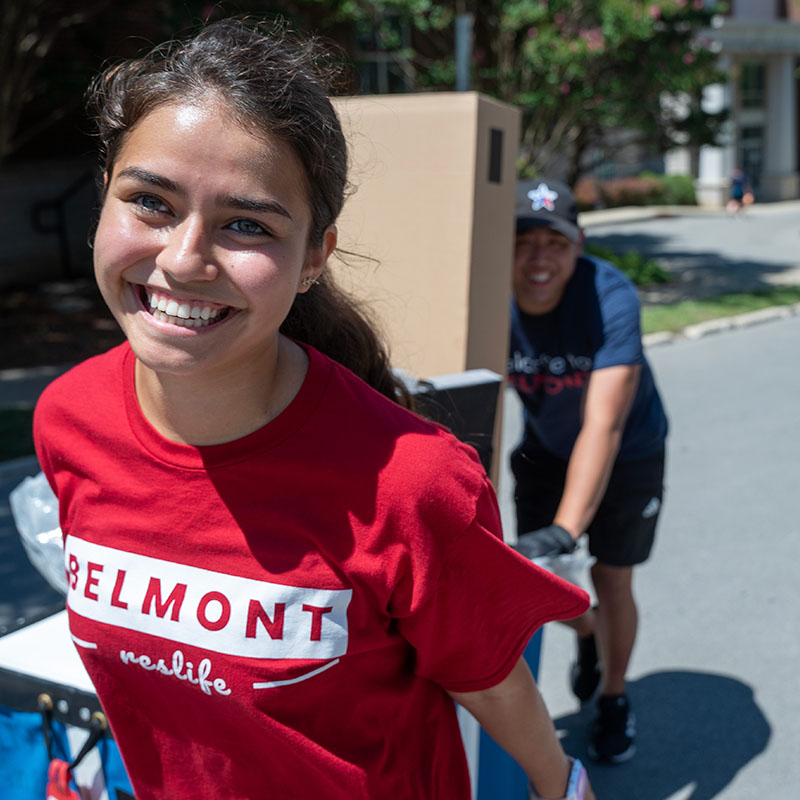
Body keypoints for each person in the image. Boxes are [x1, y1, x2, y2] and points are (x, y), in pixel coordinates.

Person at [33, 21, 596, 800]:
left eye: (246, 225)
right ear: (106, 198)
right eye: (151, 203)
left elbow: (491, 679)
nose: (184, 259)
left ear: (314, 258)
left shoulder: (413, 484)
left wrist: (561, 785)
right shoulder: (68, 418)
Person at [509, 178, 668, 765]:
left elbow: (604, 425)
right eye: (524, 241)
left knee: (612, 576)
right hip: (546, 451)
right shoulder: (490, 295)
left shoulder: (610, 295)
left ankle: (613, 696)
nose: (539, 258)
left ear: (577, 243)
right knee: (542, 584)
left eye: (554, 241)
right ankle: (590, 636)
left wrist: (567, 531)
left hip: (629, 451)